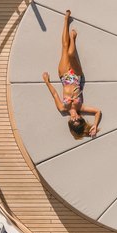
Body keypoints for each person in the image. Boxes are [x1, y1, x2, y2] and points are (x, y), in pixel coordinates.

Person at [42, 10, 102, 139]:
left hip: (64, 76)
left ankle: (65, 20)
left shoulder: (63, 108)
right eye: (78, 120)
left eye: (72, 121)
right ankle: (73, 39)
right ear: (81, 118)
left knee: (64, 47)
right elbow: (98, 111)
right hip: (76, 76)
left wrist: (47, 82)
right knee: (70, 55)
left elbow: (54, 94)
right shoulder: (81, 106)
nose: (74, 118)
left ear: (69, 122)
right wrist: (95, 126)